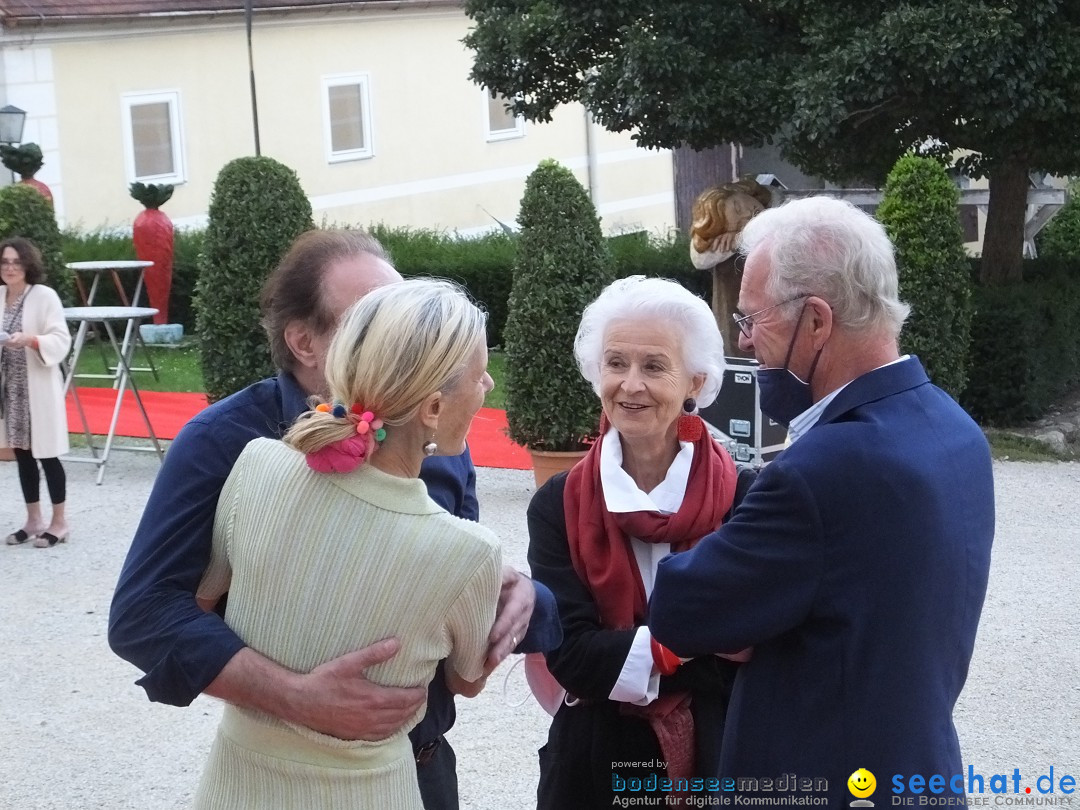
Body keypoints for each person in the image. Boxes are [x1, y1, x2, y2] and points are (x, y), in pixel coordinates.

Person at [108, 229, 560, 810]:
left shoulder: (440, 443)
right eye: (368, 316)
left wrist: (522, 593)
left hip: (416, 766)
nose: (400, 327)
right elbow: (144, 613)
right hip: (271, 771)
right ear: (303, 341)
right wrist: (294, 695)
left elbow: (449, 586)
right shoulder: (231, 444)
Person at [649, 197, 995, 806]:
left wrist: (757, 612)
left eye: (752, 320)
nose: (748, 342)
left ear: (816, 321)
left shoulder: (823, 468)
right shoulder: (954, 428)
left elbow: (681, 606)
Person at [192, 278, 501, 808]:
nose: (490, 385)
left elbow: (202, 607)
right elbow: (466, 681)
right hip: (366, 791)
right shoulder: (469, 551)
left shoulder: (255, 465)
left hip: (235, 781)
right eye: (479, 375)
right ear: (431, 408)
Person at [526, 276, 743, 809]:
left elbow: (752, 647)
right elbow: (570, 655)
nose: (630, 384)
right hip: (596, 755)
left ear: (695, 381)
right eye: (616, 363)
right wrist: (684, 643)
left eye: (653, 365)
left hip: (719, 746)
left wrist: (631, 652)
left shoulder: (744, 496)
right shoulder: (558, 504)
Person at [1, 236, 72, 549]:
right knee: (22, 455)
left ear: (28, 264)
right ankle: (33, 520)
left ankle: (59, 522)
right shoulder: (0, 296)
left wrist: (31, 339)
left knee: (48, 455)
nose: (10, 268)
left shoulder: (45, 296)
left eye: (17, 262)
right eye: (5, 262)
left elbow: (61, 338)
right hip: (10, 391)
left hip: (37, 387)